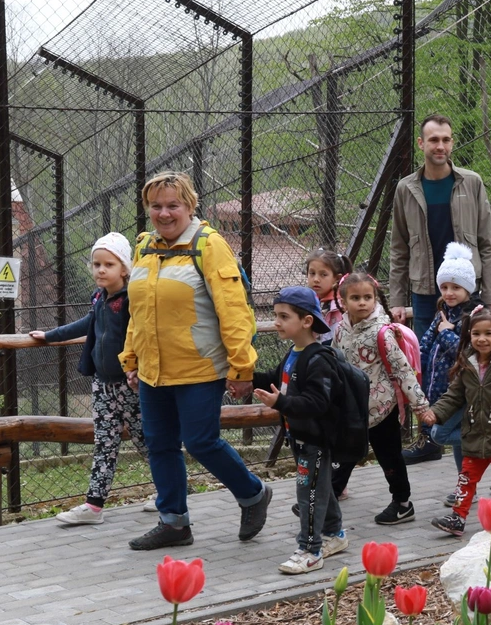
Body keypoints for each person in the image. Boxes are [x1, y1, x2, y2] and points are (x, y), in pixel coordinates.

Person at [121, 172, 272, 551]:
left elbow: (234, 310)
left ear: (190, 206)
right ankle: (173, 523)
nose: (164, 213)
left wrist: (242, 368)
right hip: (154, 370)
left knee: (201, 441)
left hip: (199, 367)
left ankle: (253, 495)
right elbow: (137, 312)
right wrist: (131, 358)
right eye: (156, 206)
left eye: (173, 205)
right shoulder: (143, 247)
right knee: (160, 444)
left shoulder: (210, 245)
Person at [31, 233, 146, 525]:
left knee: (148, 442)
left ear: (124, 269)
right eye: (96, 264)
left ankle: (172, 491)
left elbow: (145, 336)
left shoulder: (133, 299)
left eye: (109, 264)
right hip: (102, 385)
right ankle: (93, 507)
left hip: (131, 385)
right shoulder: (99, 299)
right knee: (105, 442)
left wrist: (140, 370)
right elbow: (86, 324)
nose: (101, 270)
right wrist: (48, 335)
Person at [251, 288, 345, 575]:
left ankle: (310, 549)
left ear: (306, 321)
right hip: (299, 435)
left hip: (315, 438)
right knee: (321, 485)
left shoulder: (319, 360)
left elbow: (317, 403)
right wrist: (244, 378)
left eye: (283, 316)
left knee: (309, 494)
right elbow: (273, 379)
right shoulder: (294, 353)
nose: (276, 322)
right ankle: (334, 534)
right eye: (275, 316)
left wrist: (280, 402)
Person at [331, 272, 434, 524]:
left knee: (389, 457)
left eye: (368, 297)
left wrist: (421, 407)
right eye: (355, 298)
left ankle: (402, 503)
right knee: (344, 454)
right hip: (352, 409)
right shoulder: (341, 331)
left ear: (376, 298)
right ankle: (325, 498)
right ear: (343, 301)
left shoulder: (382, 332)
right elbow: (333, 364)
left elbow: (402, 370)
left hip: (382, 409)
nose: (363, 303)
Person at [389, 114, 491, 338]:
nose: (440, 146)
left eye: (446, 140)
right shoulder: (406, 188)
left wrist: (490, 299)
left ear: (452, 142)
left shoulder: (472, 183)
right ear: (421, 143)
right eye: (433, 140)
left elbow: (488, 244)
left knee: (467, 357)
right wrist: (397, 300)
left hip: (467, 290)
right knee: (426, 357)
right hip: (425, 291)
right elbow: (399, 249)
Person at [427, 309, 491, 537]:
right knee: (466, 478)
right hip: (475, 434)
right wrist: (435, 413)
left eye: (488, 333)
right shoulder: (468, 364)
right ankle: (458, 518)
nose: (482, 339)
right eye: (476, 333)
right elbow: (454, 395)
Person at [404, 243, 481, 466]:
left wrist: (447, 333)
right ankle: (464, 485)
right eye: (444, 286)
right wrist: (417, 368)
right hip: (440, 389)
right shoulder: (443, 313)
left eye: (455, 287)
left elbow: (467, 354)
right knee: (454, 440)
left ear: (468, 289)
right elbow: (426, 344)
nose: (448, 292)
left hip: (460, 390)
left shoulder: (473, 317)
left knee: (440, 435)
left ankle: (484, 438)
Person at [303, 248, 351, 343]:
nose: (316, 279)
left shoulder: (340, 306)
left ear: (337, 278)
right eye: (312, 273)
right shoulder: (309, 301)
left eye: (323, 275)